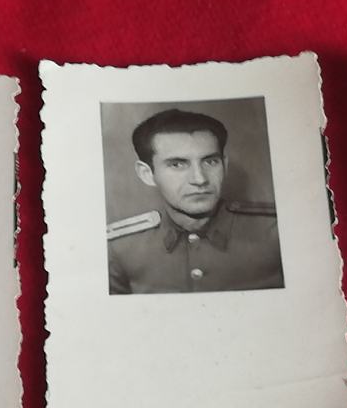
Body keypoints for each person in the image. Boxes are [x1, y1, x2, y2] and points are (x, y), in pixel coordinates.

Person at [107, 108, 284, 294]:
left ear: (225, 165)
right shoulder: (120, 249)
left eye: (210, 162)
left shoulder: (276, 232)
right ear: (147, 174)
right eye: (177, 164)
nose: (200, 179)